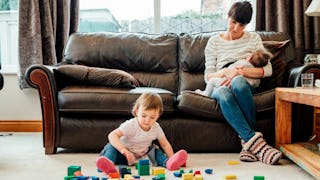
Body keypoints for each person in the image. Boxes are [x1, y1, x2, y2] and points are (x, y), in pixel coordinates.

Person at [204, 1, 282, 165]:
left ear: (246, 25)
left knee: (239, 81)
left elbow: (267, 70)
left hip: (244, 82)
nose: (235, 28)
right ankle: (257, 145)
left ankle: (248, 144)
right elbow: (208, 76)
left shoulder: (253, 39)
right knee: (224, 92)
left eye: (241, 25)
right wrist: (226, 72)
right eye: (233, 22)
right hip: (220, 83)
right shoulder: (213, 42)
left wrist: (239, 72)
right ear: (228, 17)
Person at [96, 92, 188, 174]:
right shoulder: (131, 124)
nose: (147, 120)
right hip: (122, 155)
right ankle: (108, 165)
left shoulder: (156, 127)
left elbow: (165, 145)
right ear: (137, 112)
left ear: (158, 116)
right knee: (111, 147)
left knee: (155, 151)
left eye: (152, 117)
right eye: (144, 115)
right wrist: (123, 150)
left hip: (142, 155)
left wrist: (172, 157)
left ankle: (169, 163)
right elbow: (112, 135)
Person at [196, 49, 272, 96]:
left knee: (212, 81)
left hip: (228, 83)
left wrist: (225, 71)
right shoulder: (255, 74)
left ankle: (205, 94)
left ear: (249, 58)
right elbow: (256, 84)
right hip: (244, 90)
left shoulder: (242, 63)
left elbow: (230, 70)